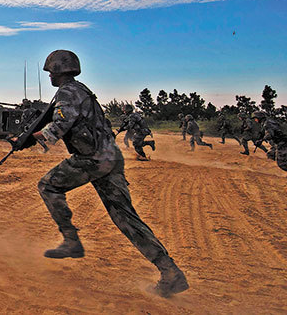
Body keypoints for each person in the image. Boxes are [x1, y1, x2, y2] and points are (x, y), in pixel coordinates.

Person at [32, 50, 188, 297]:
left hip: (92, 159)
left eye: (51, 71)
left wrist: (34, 138)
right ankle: (170, 272)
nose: (50, 75)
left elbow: (60, 124)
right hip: (110, 157)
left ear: (60, 70)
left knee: (47, 186)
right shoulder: (82, 90)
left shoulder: (67, 92)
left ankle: (71, 241)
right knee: (126, 217)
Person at [253, 111, 287, 178]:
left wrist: (261, 140)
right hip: (277, 143)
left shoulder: (267, 124)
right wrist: (260, 138)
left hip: (282, 143)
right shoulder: (267, 123)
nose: (255, 120)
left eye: (255, 118)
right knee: (270, 154)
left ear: (259, 117)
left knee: (281, 163)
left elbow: (270, 134)